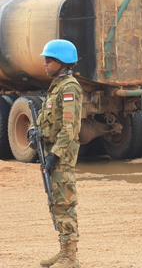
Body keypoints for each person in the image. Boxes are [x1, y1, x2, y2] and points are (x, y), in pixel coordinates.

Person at [29, 39, 83, 268]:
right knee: (56, 204)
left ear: (61, 62)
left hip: (61, 157)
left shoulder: (70, 88)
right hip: (51, 152)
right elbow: (45, 120)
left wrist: (55, 156)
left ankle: (71, 257)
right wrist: (34, 132)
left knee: (64, 204)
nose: (44, 63)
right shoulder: (56, 87)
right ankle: (63, 252)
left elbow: (70, 127)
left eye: (49, 59)